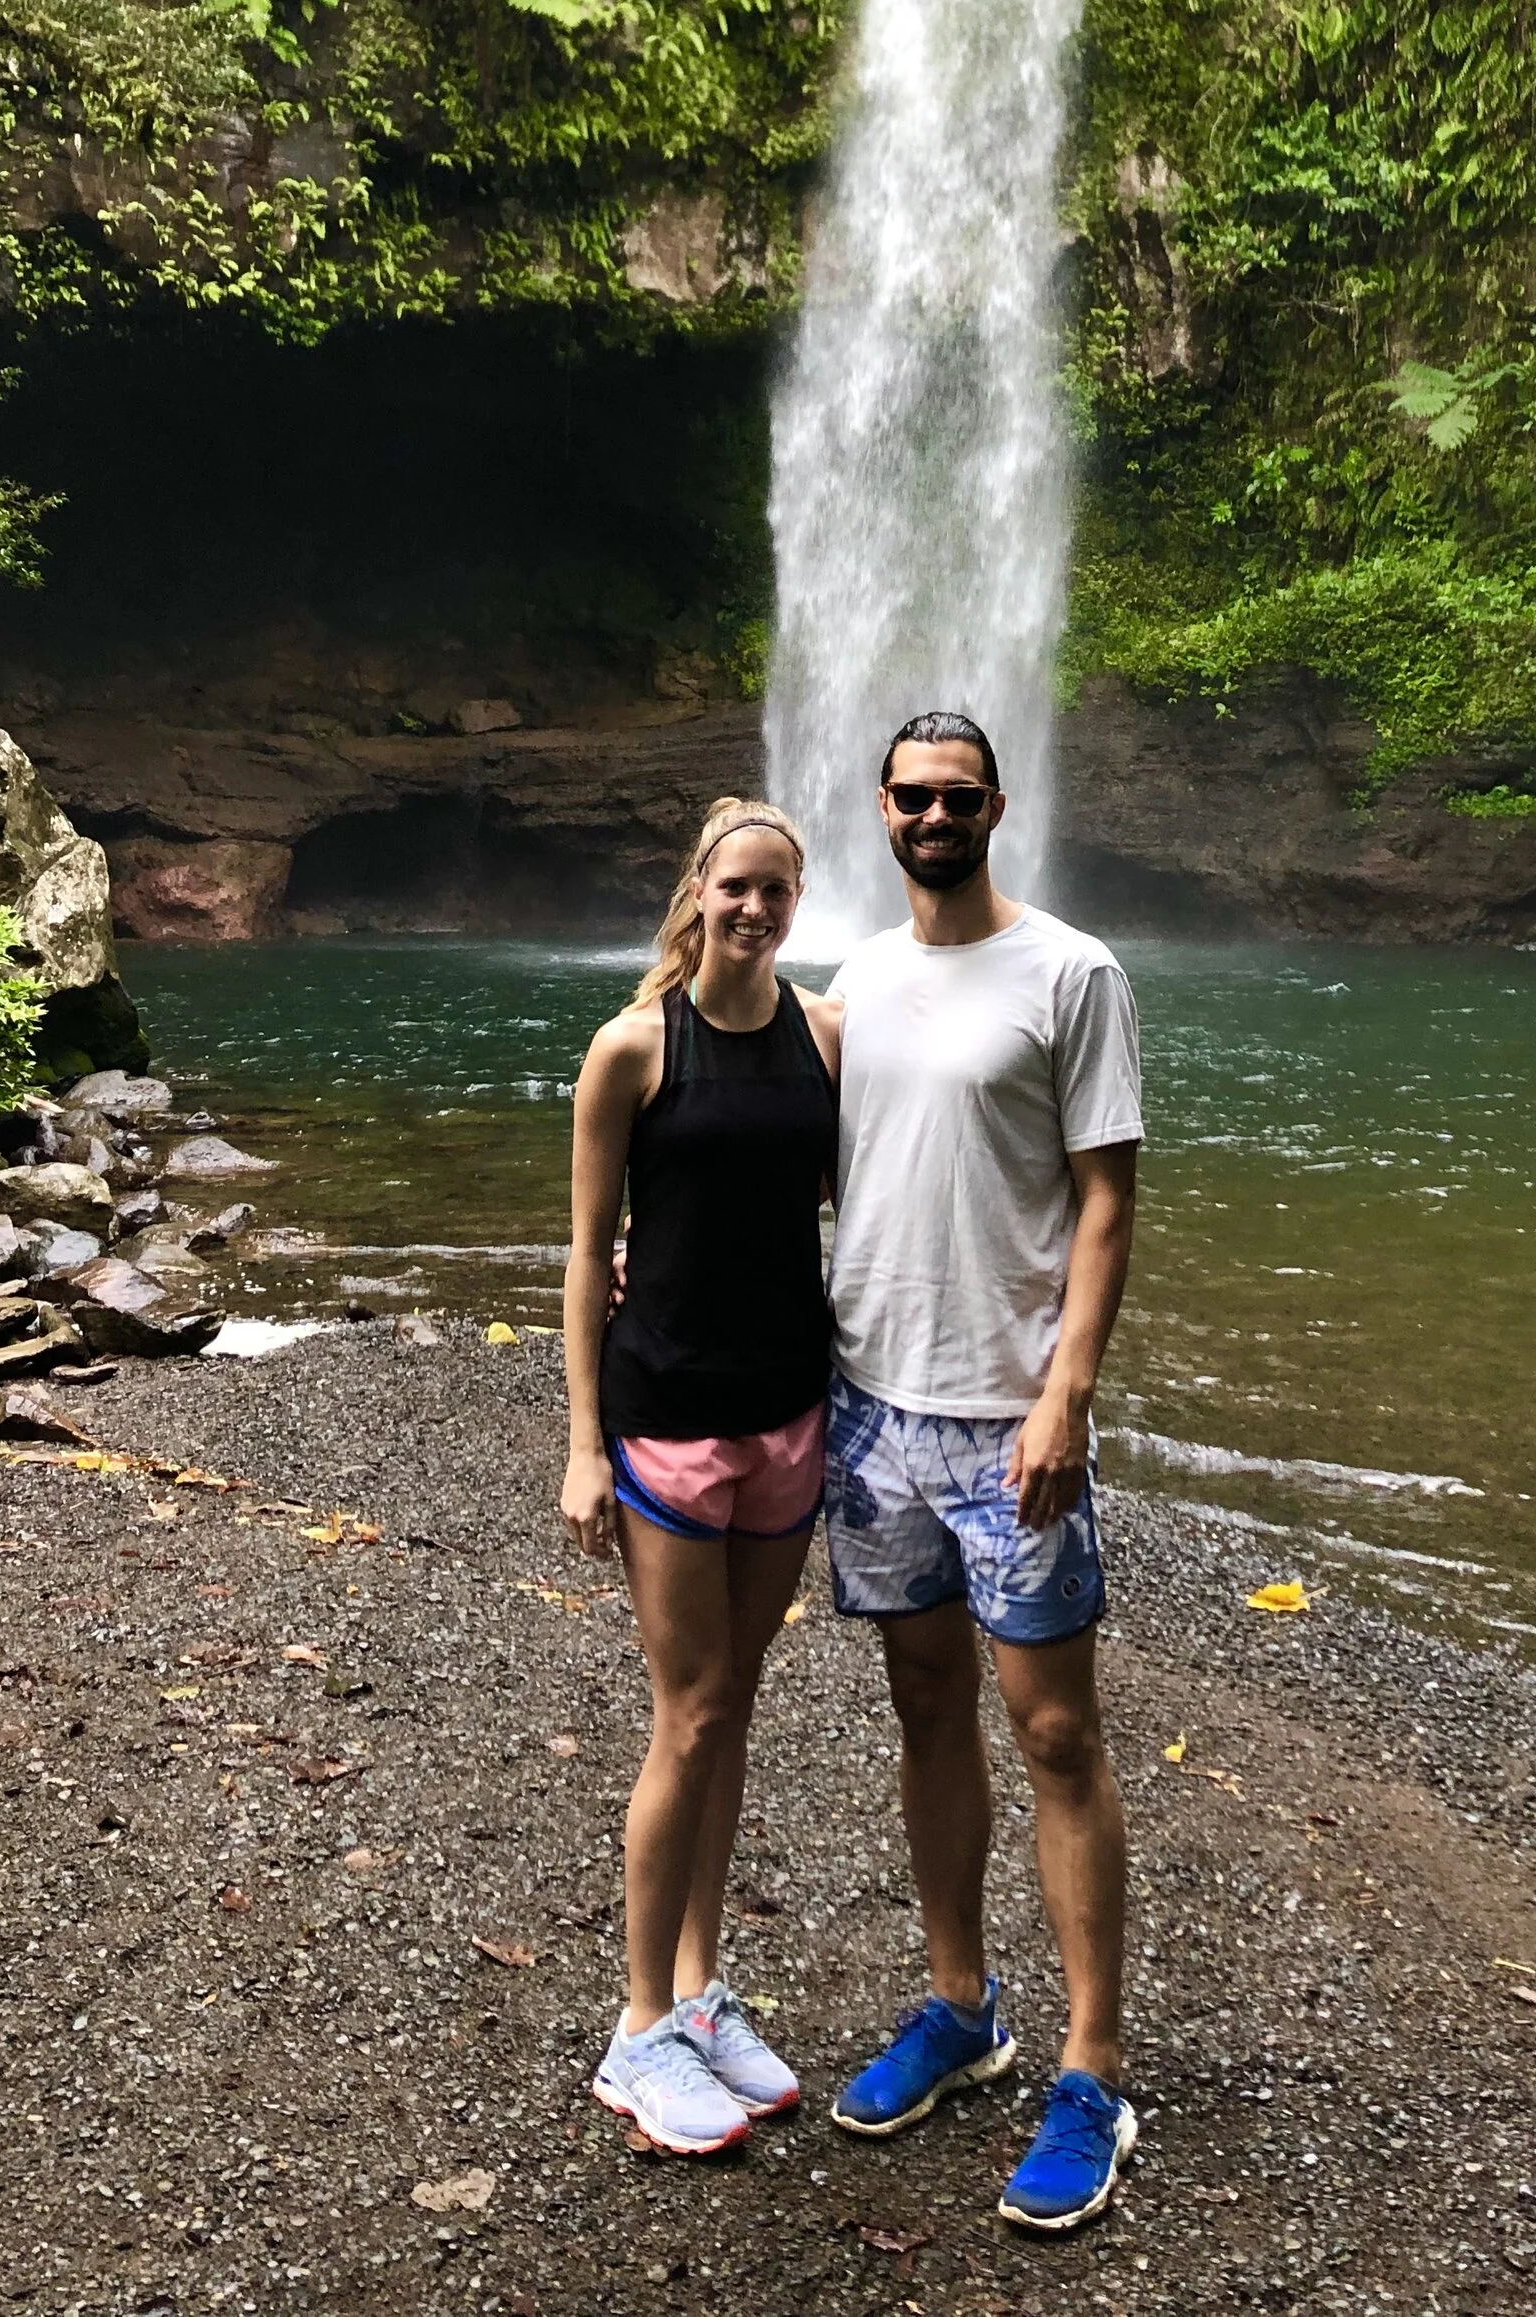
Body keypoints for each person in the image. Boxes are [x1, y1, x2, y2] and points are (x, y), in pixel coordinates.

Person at [822, 711, 1143, 2233]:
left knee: (1057, 1730)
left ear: (996, 807)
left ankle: (1094, 2067)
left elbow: (1105, 1201)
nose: (934, 813)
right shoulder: (860, 980)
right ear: (881, 810)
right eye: (911, 795)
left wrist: (1066, 1393)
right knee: (926, 1705)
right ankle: (962, 2005)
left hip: (1010, 1418)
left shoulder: (1073, 972)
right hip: (875, 1412)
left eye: (958, 794)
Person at [560, 796, 841, 2157]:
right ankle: (635, 2030)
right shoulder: (630, 1051)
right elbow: (581, 1254)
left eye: (777, 891)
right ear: (699, 891)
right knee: (688, 1714)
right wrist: (577, 1447)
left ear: (797, 901)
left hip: (790, 1412)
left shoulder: (826, 1038)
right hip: (667, 1417)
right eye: (736, 886)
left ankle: (699, 1987)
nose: (754, 908)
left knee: (734, 1708)